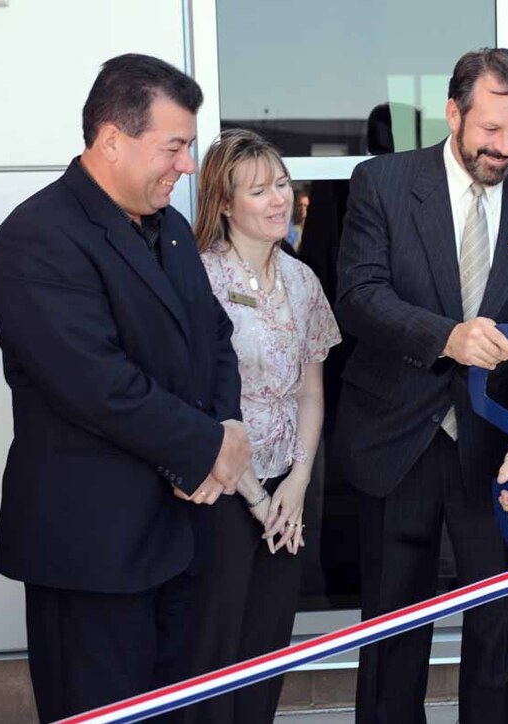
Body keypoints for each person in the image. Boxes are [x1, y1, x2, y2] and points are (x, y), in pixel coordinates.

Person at [0, 54, 251, 721]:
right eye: (175, 147)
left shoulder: (170, 233)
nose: (188, 166)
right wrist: (205, 450)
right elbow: (96, 384)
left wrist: (226, 429)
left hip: (181, 537)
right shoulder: (37, 237)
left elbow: (215, 338)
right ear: (111, 140)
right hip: (93, 554)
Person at [334, 47, 508, 724]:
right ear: (453, 113)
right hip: (394, 448)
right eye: (491, 129)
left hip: (496, 455)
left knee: (501, 642)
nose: (505, 146)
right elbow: (360, 295)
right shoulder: (381, 183)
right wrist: (448, 337)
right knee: (391, 643)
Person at [183, 129, 340, 722]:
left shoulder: (303, 282)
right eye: (258, 190)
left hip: (287, 492)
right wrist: (252, 493)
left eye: (281, 184)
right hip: (220, 491)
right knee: (213, 651)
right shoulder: (198, 279)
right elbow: (193, 398)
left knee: (268, 648)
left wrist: (296, 485)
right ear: (224, 203)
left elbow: (312, 391)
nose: (279, 200)